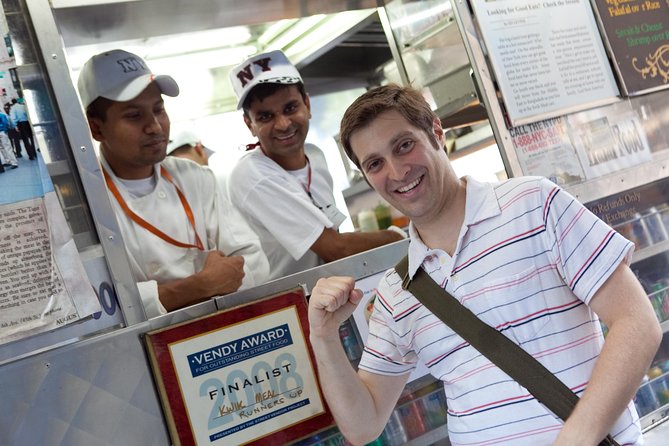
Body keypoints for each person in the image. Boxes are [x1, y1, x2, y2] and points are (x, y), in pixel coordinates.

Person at [307, 85, 662, 446]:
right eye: (375, 163)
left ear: (436, 132)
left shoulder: (533, 204)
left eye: (403, 145)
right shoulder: (397, 292)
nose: (397, 171)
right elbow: (363, 425)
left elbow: (637, 322)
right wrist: (323, 337)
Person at [77, 49, 269, 318]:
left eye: (158, 109)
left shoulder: (195, 178)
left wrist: (160, 297)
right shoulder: (84, 205)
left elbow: (254, 262)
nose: (155, 126)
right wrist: (197, 286)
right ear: (97, 128)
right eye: (134, 116)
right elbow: (97, 306)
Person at [227, 50, 405, 280]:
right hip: (290, 306)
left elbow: (334, 237)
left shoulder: (315, 156)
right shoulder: (251, 175)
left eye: (290, 108)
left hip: (332, 289)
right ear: (249, 124)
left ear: (307, 105)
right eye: (265, 117)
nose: (282, 124)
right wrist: (400, 238)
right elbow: (335, 248)